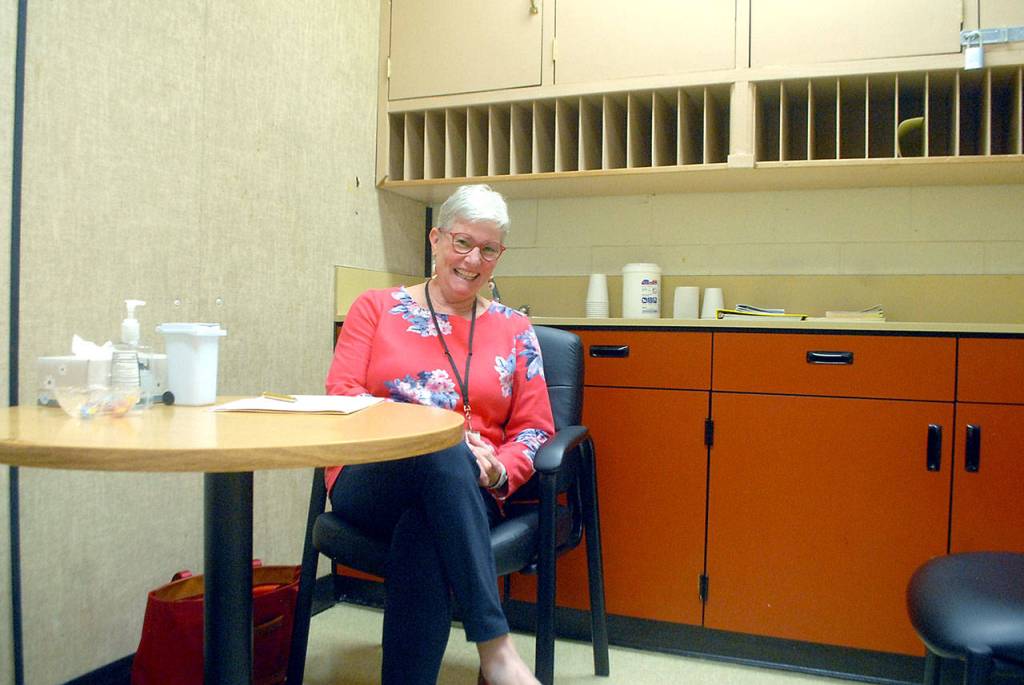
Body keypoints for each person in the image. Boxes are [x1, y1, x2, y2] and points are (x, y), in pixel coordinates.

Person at [325, 184, 552, 685]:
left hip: (468, 490)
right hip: (370, 478)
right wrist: (431, 432)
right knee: (443, 445)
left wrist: (497, 470)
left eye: (488, 249)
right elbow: (343, 398)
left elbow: (535, 430)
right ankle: (496, 649)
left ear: (500, 256)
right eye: (462, 242)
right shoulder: (375, 309)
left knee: (424, 530)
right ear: (435, 239)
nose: (473, 260)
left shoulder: (516, 329)